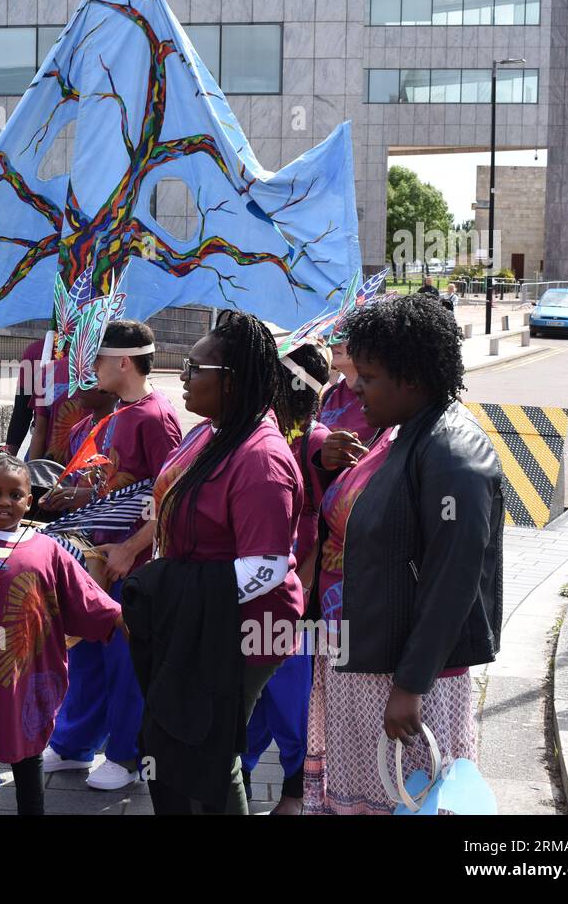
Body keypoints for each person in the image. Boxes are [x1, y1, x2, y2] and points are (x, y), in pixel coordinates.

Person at [303, 294, 503, 815]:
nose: (355, 387)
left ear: (411, 377)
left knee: (409, 799)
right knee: (367, 800)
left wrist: (410, 686)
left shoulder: (454, 452)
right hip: (364, 657)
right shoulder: (398, 431)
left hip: (406, 682)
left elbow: (452, 583)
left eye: (368, 376)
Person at [145, 309, 304, 814]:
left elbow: (268, 568)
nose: (182, 379)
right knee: (177, 744)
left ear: (230, 381)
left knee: (212, 755)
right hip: (200, 618)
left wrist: (169, 586)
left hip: (246, 628)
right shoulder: (209, 433)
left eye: (194, 369)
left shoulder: (261, 459)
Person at [0, 455, 123, 815]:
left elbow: (83, 596)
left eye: (15, 494)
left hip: (27, 677)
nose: (5, 502)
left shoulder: (47, 548)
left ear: (29, 500)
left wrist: (120, 616)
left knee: (28, 755)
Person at [43, 319, 183, 792]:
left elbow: (170, 496)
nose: (91, 368)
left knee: (125, 661)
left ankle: (126, 755)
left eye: (98, 358)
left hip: (130, 563)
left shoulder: (156, 416)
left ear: (123, 361)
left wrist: (129, 549)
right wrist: (74, 498)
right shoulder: (115, 413)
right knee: (86, 654)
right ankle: (74, 744)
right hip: (94, 558)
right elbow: (113, 486)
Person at [240, 341, 332, 816]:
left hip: (293, 599)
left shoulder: (316, 442)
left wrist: (303, 592)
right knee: (250, 703)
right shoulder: (266, 434)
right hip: (257, 591)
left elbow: (328, 528)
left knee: (291, 706)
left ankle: (295, 794)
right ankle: (242, 782)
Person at [318, 338, 382, 452]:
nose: (334, 343)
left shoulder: (385, 395)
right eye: (334, 336)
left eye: (345, 337)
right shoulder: (330, 393)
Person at [4, 337, 47, 454]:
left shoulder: (96, 353)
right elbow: (22, 409)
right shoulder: (35, 351)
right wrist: (8, 456)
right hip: (40, 450)